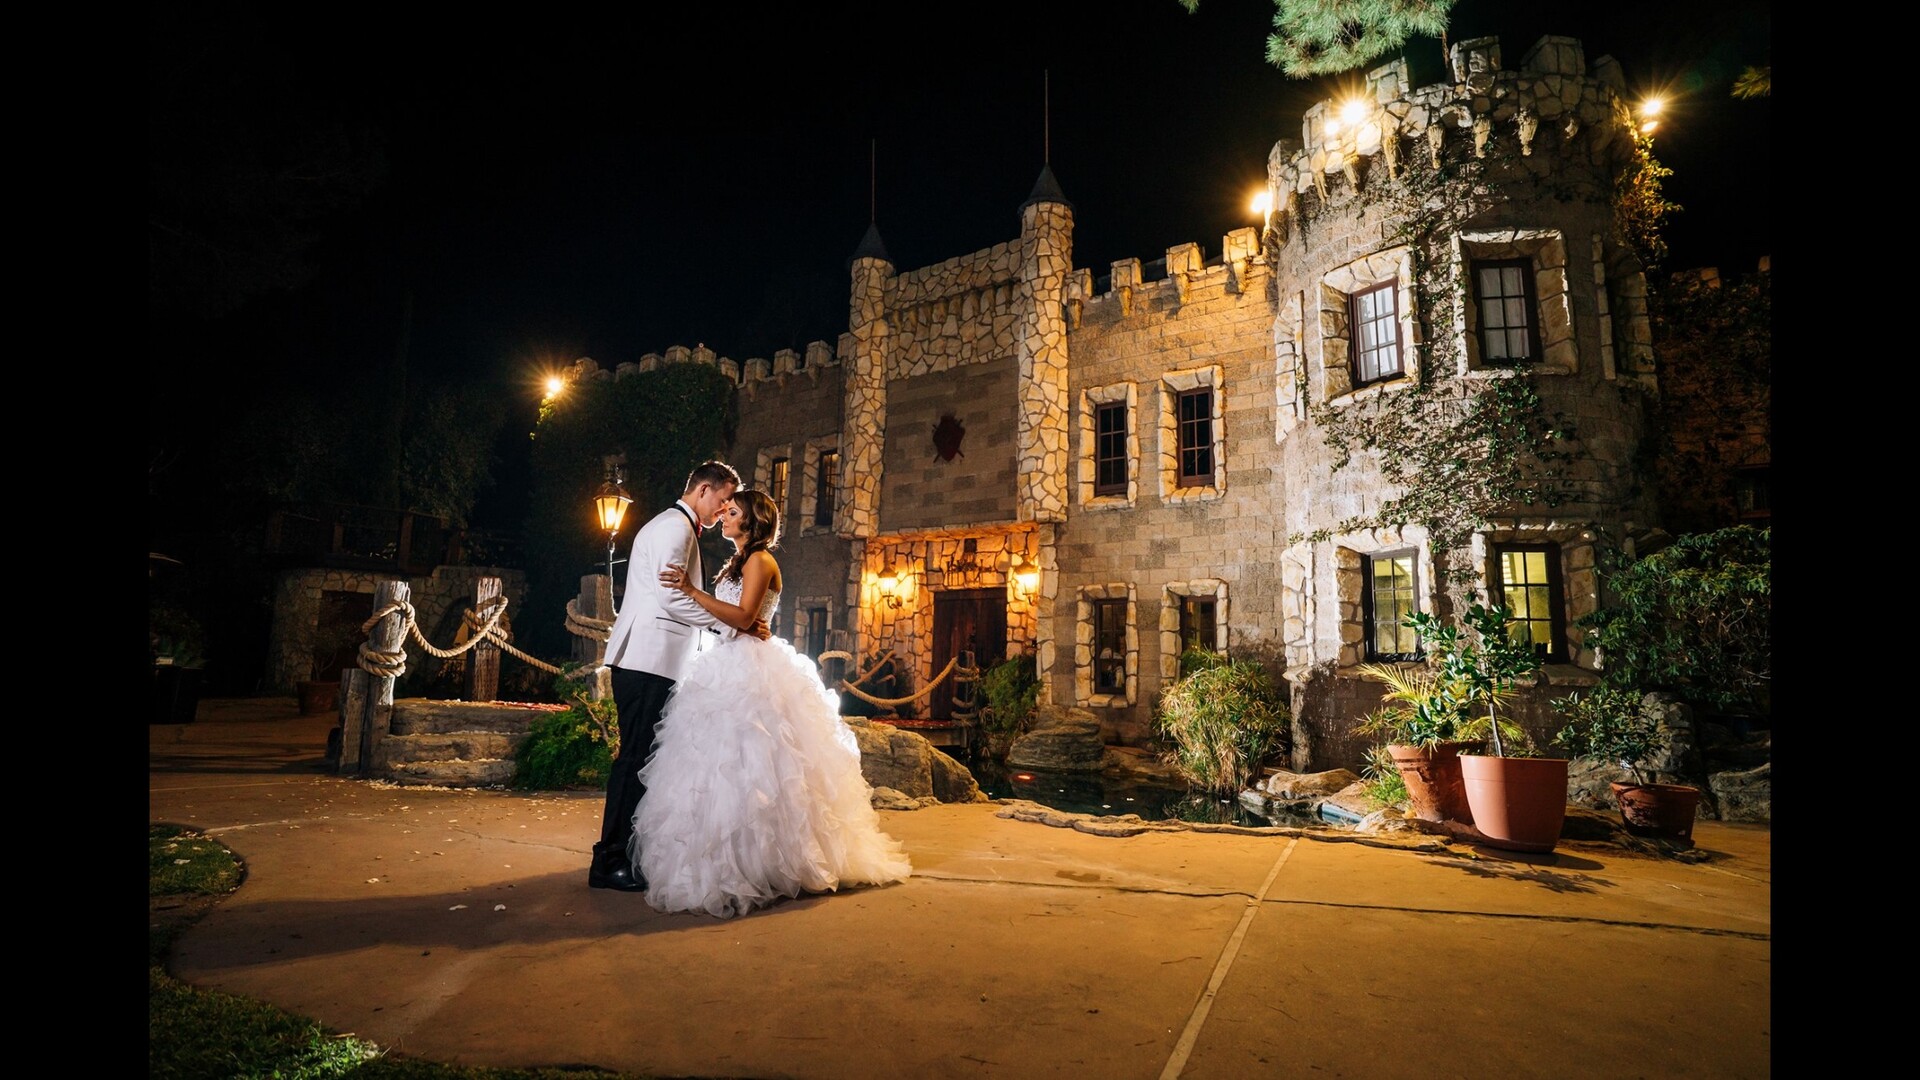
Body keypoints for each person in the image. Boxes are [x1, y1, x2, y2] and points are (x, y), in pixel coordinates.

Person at [631, 488, 911, 917]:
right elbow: (734, 619)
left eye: (732, 511)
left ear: (752, 520)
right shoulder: (738, 561)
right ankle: (717, 864)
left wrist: (690, 590)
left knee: (757, 764)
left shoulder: (761, 561)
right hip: (724, 660)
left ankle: (763, 865)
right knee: (715, 768)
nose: (724, 515)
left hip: (751, 667)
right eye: (725, 509)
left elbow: (745, 617)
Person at [589, 460, 768, 892]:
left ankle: (627, 854)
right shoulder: (675, 528)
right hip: (649, 660)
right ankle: (609, 860)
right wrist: (731, 627)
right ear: (704, 490)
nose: (723, 509)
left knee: (642, 759)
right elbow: (672, 598)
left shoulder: (674, 525)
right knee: (634, 760)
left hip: (654, 660)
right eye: (723, 499)